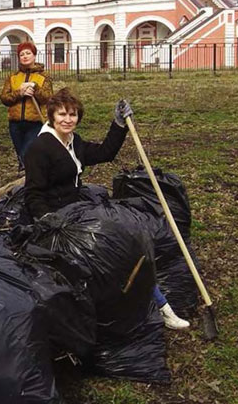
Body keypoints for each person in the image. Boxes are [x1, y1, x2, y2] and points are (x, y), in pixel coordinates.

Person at [23, 87, 189, 330]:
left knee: (127, 243)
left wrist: (118, 124)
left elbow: (105, 152)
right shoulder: (40, 148)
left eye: (73, 114)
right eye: (62, 115)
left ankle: (162, 307)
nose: (68, 120)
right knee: (109, 255)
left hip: (78, 210)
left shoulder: (72, 141)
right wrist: (47, 219)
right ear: (51, 116)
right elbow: (33, 193)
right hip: (57, 221)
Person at [0, 41, 53, 172]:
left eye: (28, 53)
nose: (25, 56)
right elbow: (4, 98)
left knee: (25, 155)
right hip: (15, 123)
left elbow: (48, 98)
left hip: (35, 123)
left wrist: (34, 88)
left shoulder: (43, 77)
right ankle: (30, 181)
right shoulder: (13, 77)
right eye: (22, 54)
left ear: (34, 56)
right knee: (22, 157)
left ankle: (27, 179)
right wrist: (20, 93)